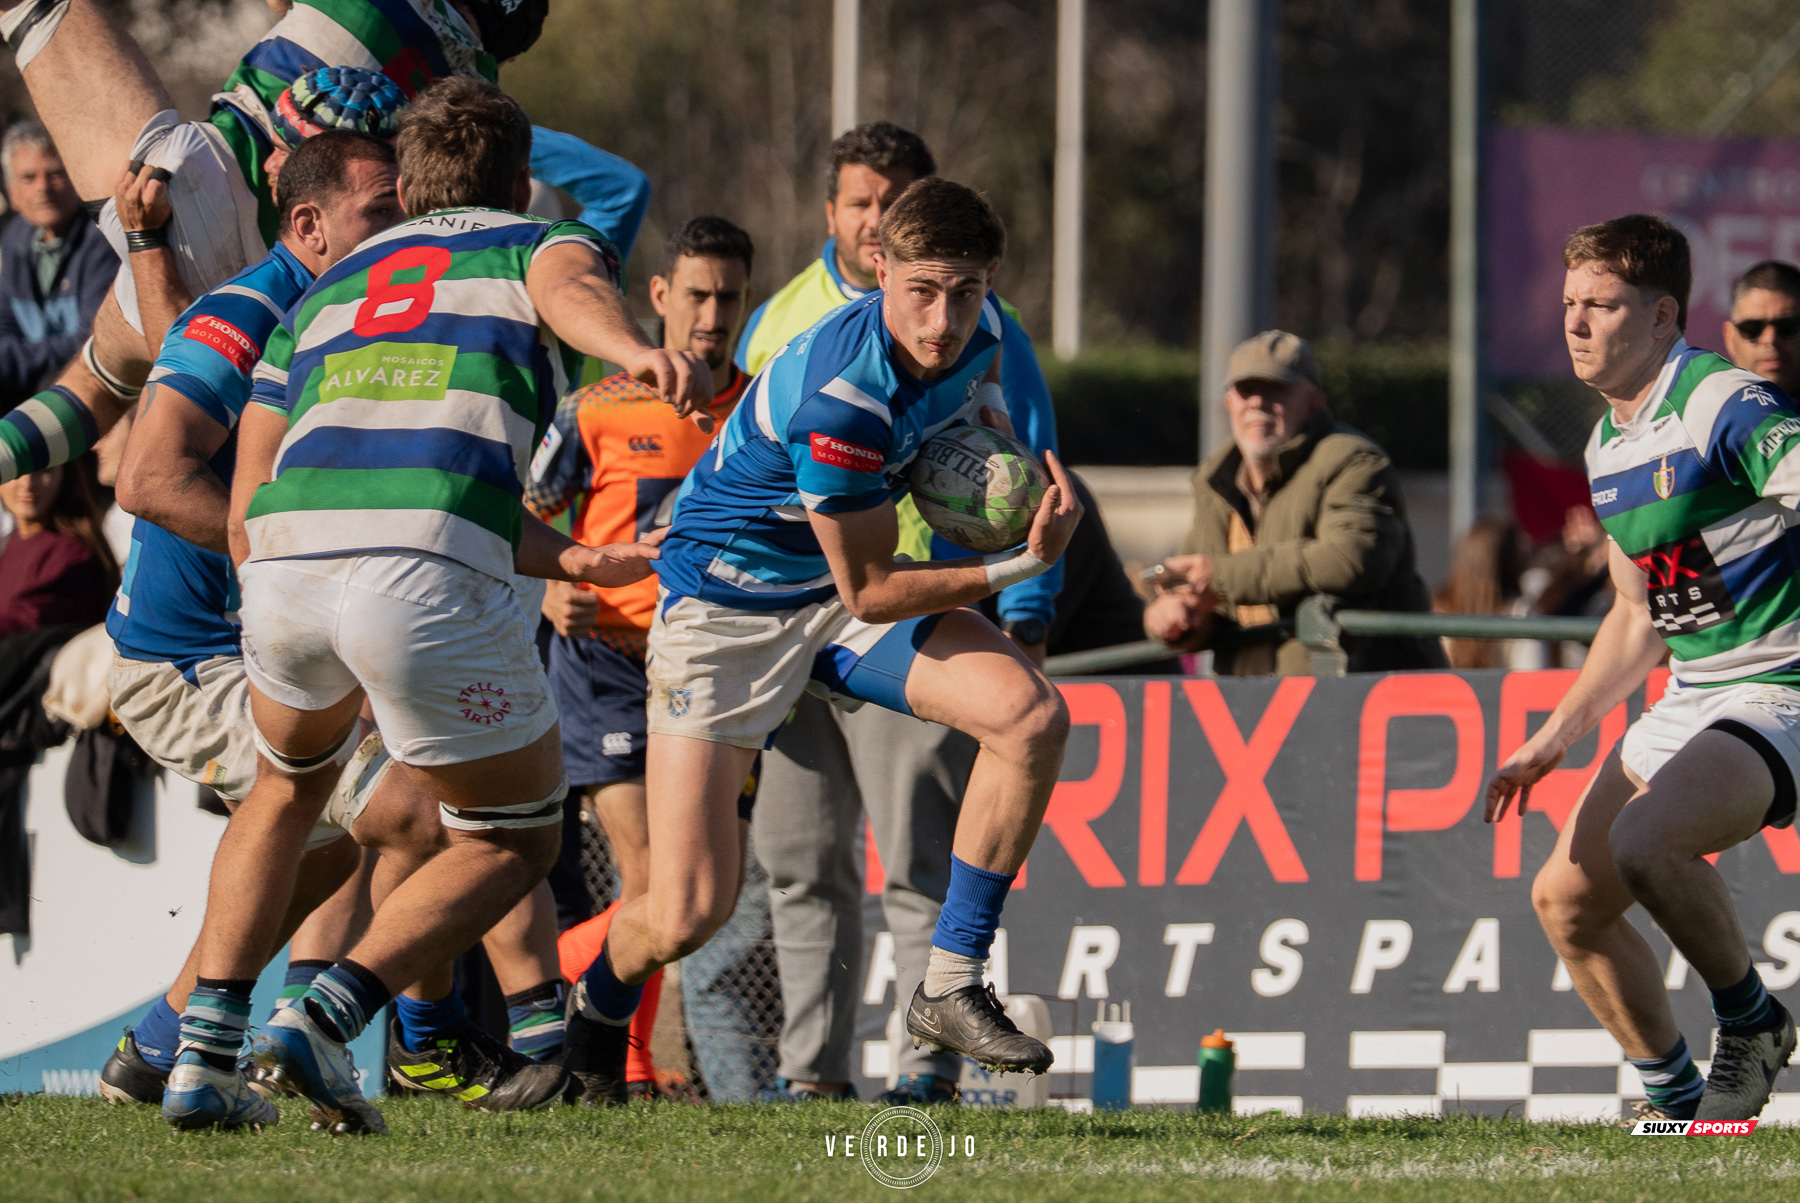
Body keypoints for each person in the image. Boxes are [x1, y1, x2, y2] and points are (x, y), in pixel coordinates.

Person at [180, 77, 705, 1136]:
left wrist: (571, 557)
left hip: (283, 568)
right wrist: (634, 351)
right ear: (521, 181)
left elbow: (254, 493)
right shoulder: (531, 242)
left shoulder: (323, 289)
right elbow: (569, 283)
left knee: (284, 793)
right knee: (513, 840)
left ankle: (200, 1061)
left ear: (410, 184)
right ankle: (324, 1017)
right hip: (417, 583)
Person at [560, 176, 1079, 1108]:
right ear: (879, 268)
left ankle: (951, 983)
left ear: (990, 280)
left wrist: (992, 459)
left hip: (830, 603)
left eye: (965, 291)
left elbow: (982, 395)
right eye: (922, 291)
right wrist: (1017, 562)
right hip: (726, 613)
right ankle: (590, 1013)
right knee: (685, 910)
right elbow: (872, 589)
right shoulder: (843, 397)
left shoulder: (987, 328)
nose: (944, 319)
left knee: (1030, 717)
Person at [97, 128, 562, 1116]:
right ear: (307, 224)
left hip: (283, 628)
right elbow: (147, 477)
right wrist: (292, 563)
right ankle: (382, 1039)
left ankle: (171, 1049)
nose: (406, 228)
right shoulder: (256, 312)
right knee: (417, 817)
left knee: (327, 835)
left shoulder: (361, 315)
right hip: (190, 655)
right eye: (381, 210)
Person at [741, 121, 1064, 1106]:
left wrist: (1026, 607)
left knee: (920, 856)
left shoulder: (984, 319)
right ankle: (813, 1074)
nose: (875, 217)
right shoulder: (783, 317)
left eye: (894, 199)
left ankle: (928, 1069)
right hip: (781, 610)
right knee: (800, 864)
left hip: (910, 615)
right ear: (844, 222)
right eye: (861, 201)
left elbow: (1024, 454)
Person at [1488, 213, 1799, 1125]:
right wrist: (1552, 739)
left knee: (1646, 841)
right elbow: (1636, 615)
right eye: (1569, 303)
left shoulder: (1723, 401)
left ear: (1663, 315)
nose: (1576, 322)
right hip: (1694, 694)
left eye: (1602, 304)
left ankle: (1753, 1021)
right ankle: (1674, 1097)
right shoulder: (1608, 444)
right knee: (1566, 901)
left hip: (1779, 688)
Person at [0, 0, 546, 486]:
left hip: (193, 192)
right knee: (99, 385)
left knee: (37, 7)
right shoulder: (478, 110)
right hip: (293, 291)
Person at [527, 216, 754, 1101]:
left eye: (728, 297)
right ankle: (622, 1056)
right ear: (660, 296)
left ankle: (535, 976)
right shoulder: (595, 407)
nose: (711, 315)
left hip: (712, 671)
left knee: (699, 895)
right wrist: (552, 588)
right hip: (608, 664)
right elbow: (524, 514)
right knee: (655, 877)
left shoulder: (759, 412)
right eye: (697, 294)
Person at [1142, 329, 1443, 675]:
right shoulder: (1214, 481)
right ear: (1229, 403)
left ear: (1315, 401)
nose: (1257, 402)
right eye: (1246, 390)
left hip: (1358, 692)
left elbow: (1353, 559)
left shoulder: (1353, 461)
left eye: (1276, 389)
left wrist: (1223, 577)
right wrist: (1176, 619)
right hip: (1252, 697)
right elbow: (1208, 598)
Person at [0, 122, 116, 409]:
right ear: (12, 193)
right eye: (29, 178)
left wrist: (12, 360)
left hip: (92, 384)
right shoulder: (14, 239)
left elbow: (92, 340)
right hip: (34, 375)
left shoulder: (103, 238)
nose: (43, 187)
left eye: (55, 173)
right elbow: (5, 324)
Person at [0, 459, 115, 634]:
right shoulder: (9, 542)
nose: (27, 484)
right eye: (17, 470)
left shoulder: (75, 552)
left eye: (44, 470)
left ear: (65, 475)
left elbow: (33, 618)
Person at [1722, 260, 1800, 398]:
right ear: (1730, 337)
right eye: (1752, 328)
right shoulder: (1704, 408)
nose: (1770, 339)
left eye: (1788, 326)